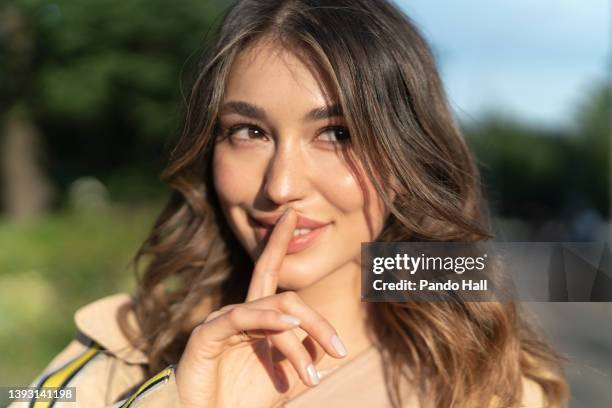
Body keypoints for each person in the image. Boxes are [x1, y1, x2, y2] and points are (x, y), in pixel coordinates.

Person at [11, 0, 570, 407]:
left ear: (407, 157)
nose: (280, 186)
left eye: (338, 133)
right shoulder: (127, 343)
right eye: (248, 131)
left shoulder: (488, 383)